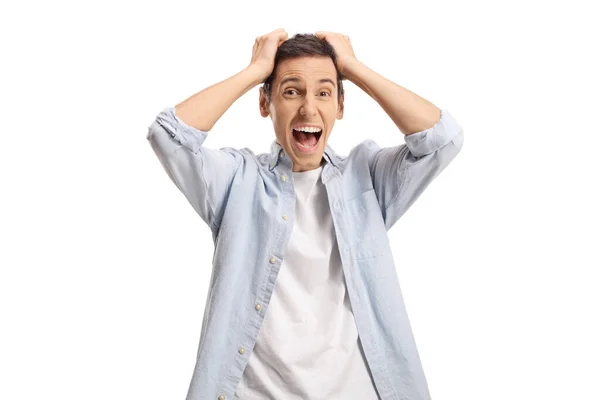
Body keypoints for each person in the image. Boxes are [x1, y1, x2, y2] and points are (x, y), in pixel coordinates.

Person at [146, 28, 464, 400]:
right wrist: (256, 71)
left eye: (325, 93)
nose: (309, 108)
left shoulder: (367, 178)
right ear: (266, 104)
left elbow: (443, 138)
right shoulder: (237, 180)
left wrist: (354, 68)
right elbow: (167, 135)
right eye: (291, 91)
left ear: (340, 107)